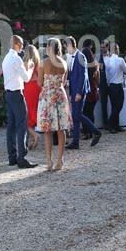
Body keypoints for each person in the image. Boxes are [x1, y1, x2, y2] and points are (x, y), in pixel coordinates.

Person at [1, 35, 37, 168]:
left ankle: (12, 157)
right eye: (21, 44)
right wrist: (31, 67)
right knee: (22, 125)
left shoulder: (6, 58)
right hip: (16, 94)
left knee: (11, 126)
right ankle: (22, 158)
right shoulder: (16, 58)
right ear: (16, 44)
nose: (22, 47)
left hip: (8, 94)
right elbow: (27, 78)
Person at [37, 38, 72, 171]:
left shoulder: (43, 63)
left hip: (47, 95)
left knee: (47, 130)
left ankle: (48, 160)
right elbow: (64, 82)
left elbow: (39, 83)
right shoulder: (64, 62)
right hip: (60, 95)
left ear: (48, 48)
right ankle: (60, 160)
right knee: (61, 128)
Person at [65, 36, 102, 149]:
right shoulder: (76, 56)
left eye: (66, 45)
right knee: (76, 117)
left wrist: (79, 93)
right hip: (75, 90)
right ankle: (75, 142)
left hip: (79, 91)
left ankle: (96, 131)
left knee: (78, 115)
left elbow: (83, 76)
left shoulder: (80, 56)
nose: (65, 48)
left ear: (71, 45)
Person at [103, 43, 126, 132]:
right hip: (118, 85)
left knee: (114, 106)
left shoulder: (107, 60)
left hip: (111, 86)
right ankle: (111, 124)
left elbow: (106, 75)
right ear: (117, 50)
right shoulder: (120, 60)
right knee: (119, 106)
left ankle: (116, 125)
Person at [23, 44, 42, 151]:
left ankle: (34, 135)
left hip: (28, 89)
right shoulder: (39, 64)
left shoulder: (26, 63)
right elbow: (40, 79)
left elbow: (24, 78)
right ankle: (31, 140)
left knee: (26, 116)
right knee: (34, 113)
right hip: (37, 89)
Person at [81, 39, 100, 134]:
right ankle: (91, 131)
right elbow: (98, 78)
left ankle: (86, 132)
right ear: (91, 46)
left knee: (85, 112)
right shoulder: (94, 62)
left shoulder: (84, 64)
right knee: (90, 112)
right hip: (93, 88)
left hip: (88, 89)